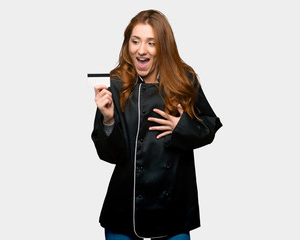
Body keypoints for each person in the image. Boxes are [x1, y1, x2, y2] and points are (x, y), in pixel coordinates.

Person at [91, 9, 222, 240]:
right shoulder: (116, 83)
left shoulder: (184, 79)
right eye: (135, 41)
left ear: (163, 46)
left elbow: (210, 126)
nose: (142, 50)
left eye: (151, 43)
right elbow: (110, 155)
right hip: (125, 210)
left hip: (173, 209)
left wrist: (181, 127)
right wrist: (109, 119)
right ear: (127, 45)